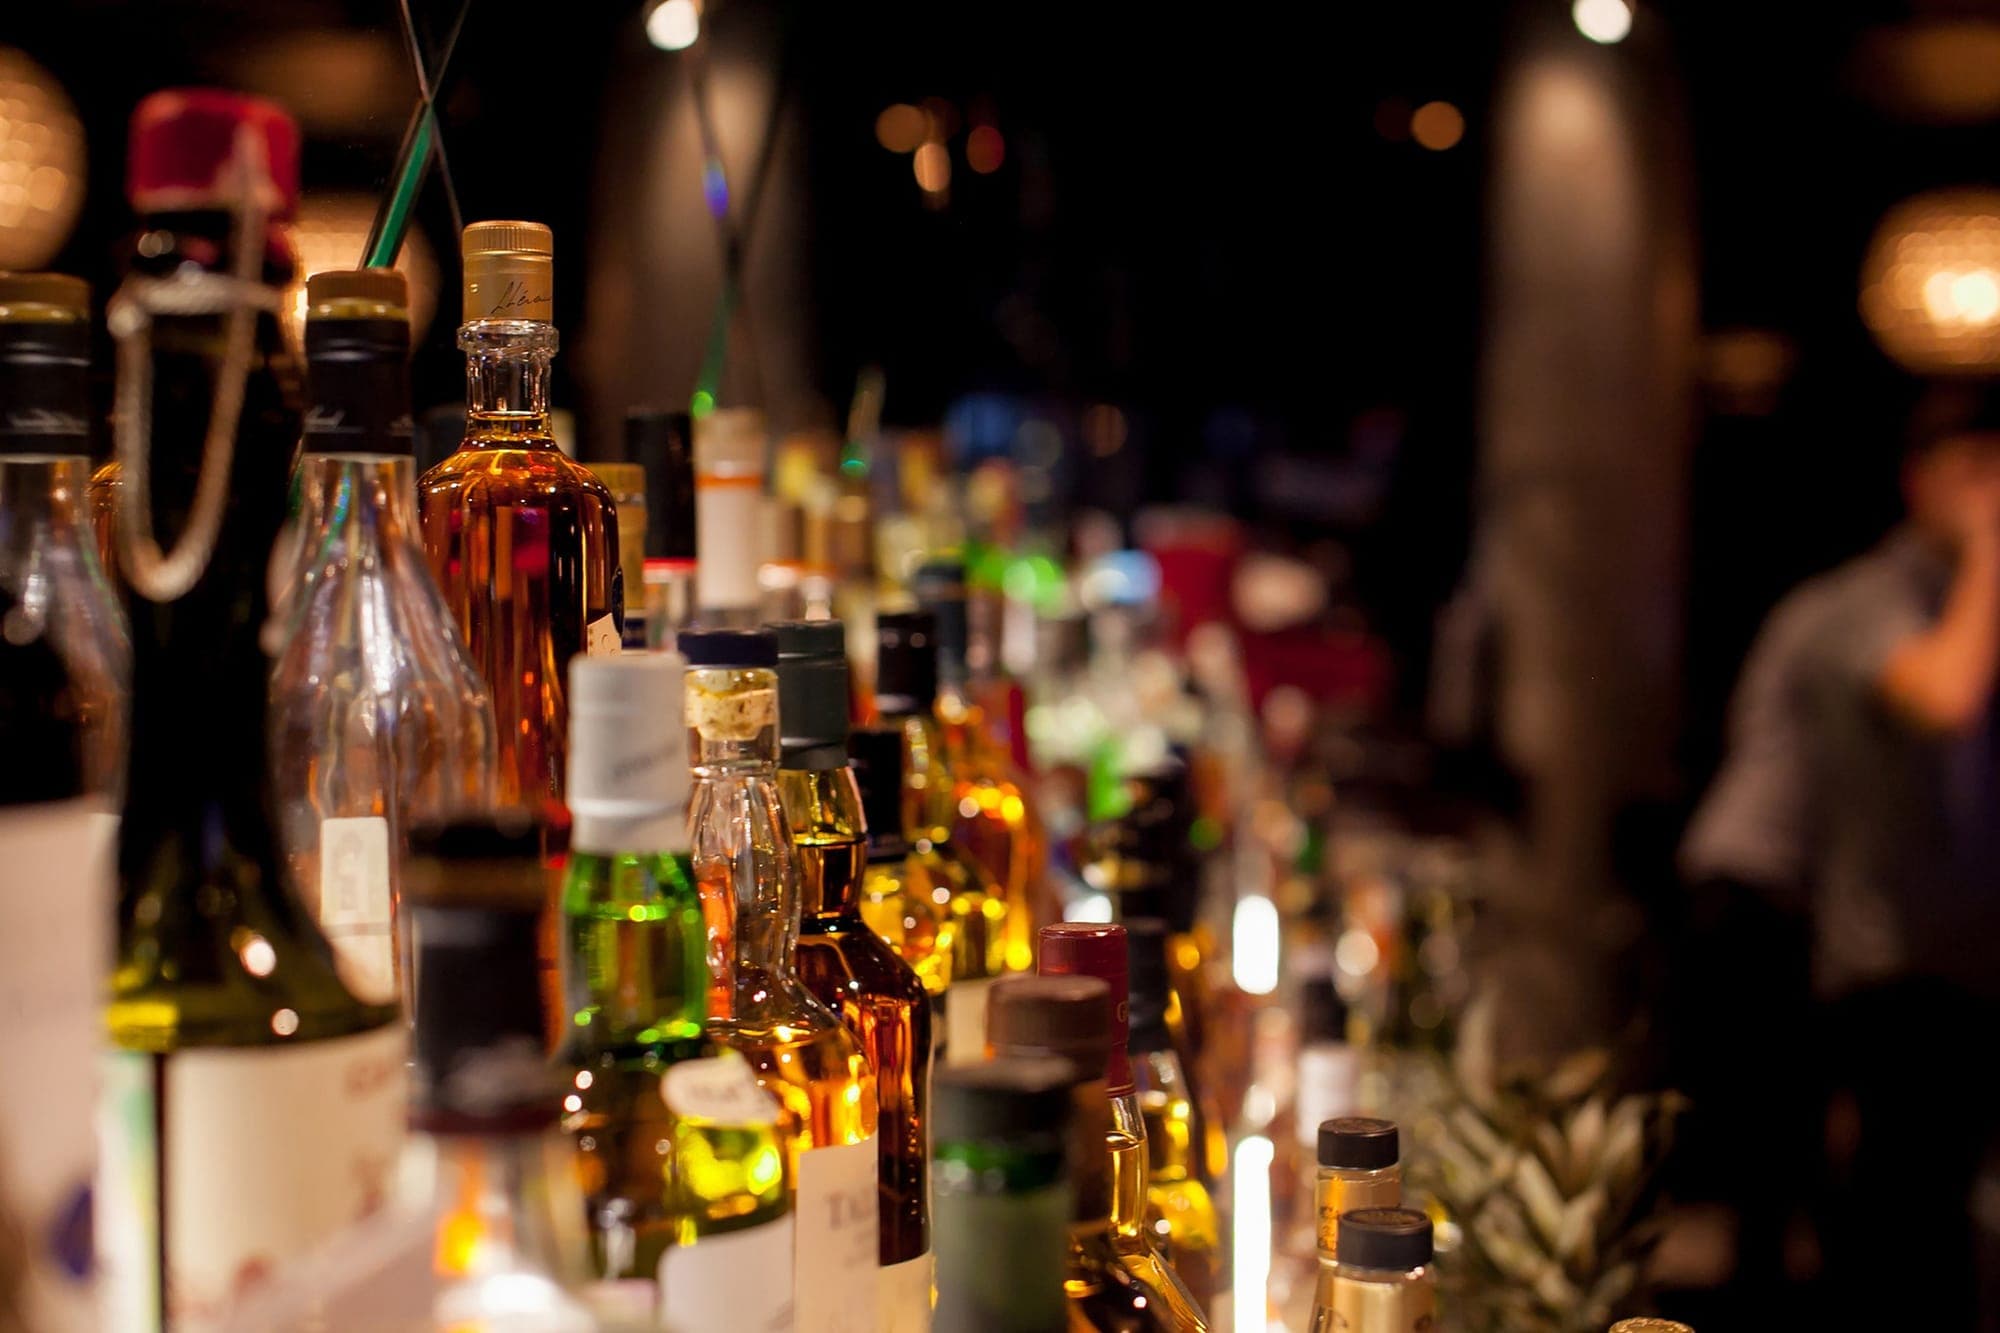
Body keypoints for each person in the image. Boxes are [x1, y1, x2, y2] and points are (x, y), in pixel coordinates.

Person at [1681, 380, 2000, 1326]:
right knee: (1786, 1185)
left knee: (1871, 1180)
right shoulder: (1868, 602)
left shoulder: (1950, 603)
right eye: (1977, 472)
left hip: (1854, 915)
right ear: (1919, 481)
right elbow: (1945, 697)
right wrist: (1989, 543)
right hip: (1756, 900)